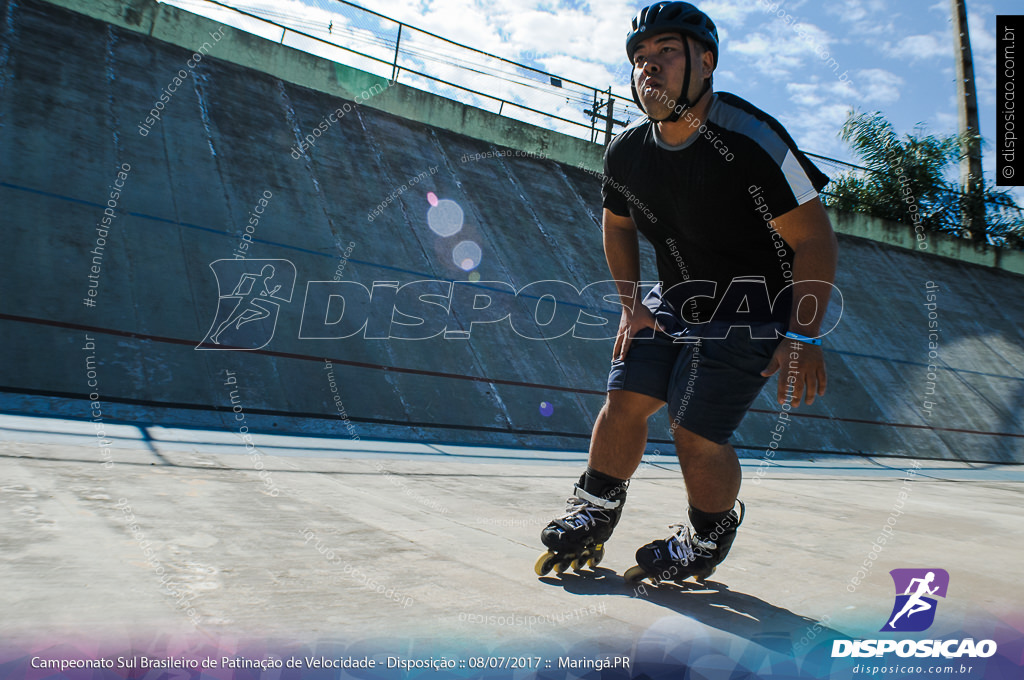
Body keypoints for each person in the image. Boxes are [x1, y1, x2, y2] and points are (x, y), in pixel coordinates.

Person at [536, 1, 838, 584]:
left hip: (754, 304)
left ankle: (707, 536)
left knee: (692, 427)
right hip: (677, 296)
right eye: (640, 58)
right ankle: (594, 509)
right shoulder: (627, 152)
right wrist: (630, 305)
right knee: (625, 398)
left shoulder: (754, 140)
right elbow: (617, 223)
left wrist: (802, 333)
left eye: (666, 52)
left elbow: (816, 238)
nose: (649, 67)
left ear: (706, 62)